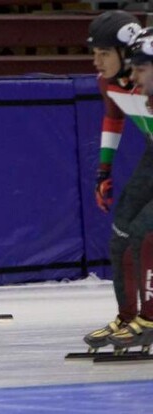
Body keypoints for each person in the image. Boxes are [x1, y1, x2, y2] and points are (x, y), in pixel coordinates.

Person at [82, 11, 151, 351]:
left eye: (104, 53)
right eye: (94, 53)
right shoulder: (109, 81)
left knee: (145, 234)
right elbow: (113, 120)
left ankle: (150, 319)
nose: (96, 62)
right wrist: (103, 172)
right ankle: (128, 317)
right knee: (121, 234)